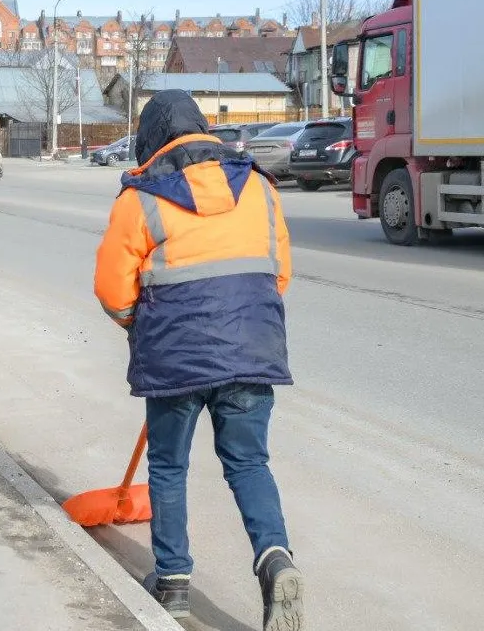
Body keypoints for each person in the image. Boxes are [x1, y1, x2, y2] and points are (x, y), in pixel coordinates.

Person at [93, 89, 304, 630]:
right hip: (251, 350)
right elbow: (278, 272)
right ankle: (275, 558)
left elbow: (112, 290)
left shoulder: (139, 197)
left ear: (150, 140)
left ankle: (173, 582)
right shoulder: (258, 185)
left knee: (168, 466)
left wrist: (139, 327)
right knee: (249, 463)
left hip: (175, 357)